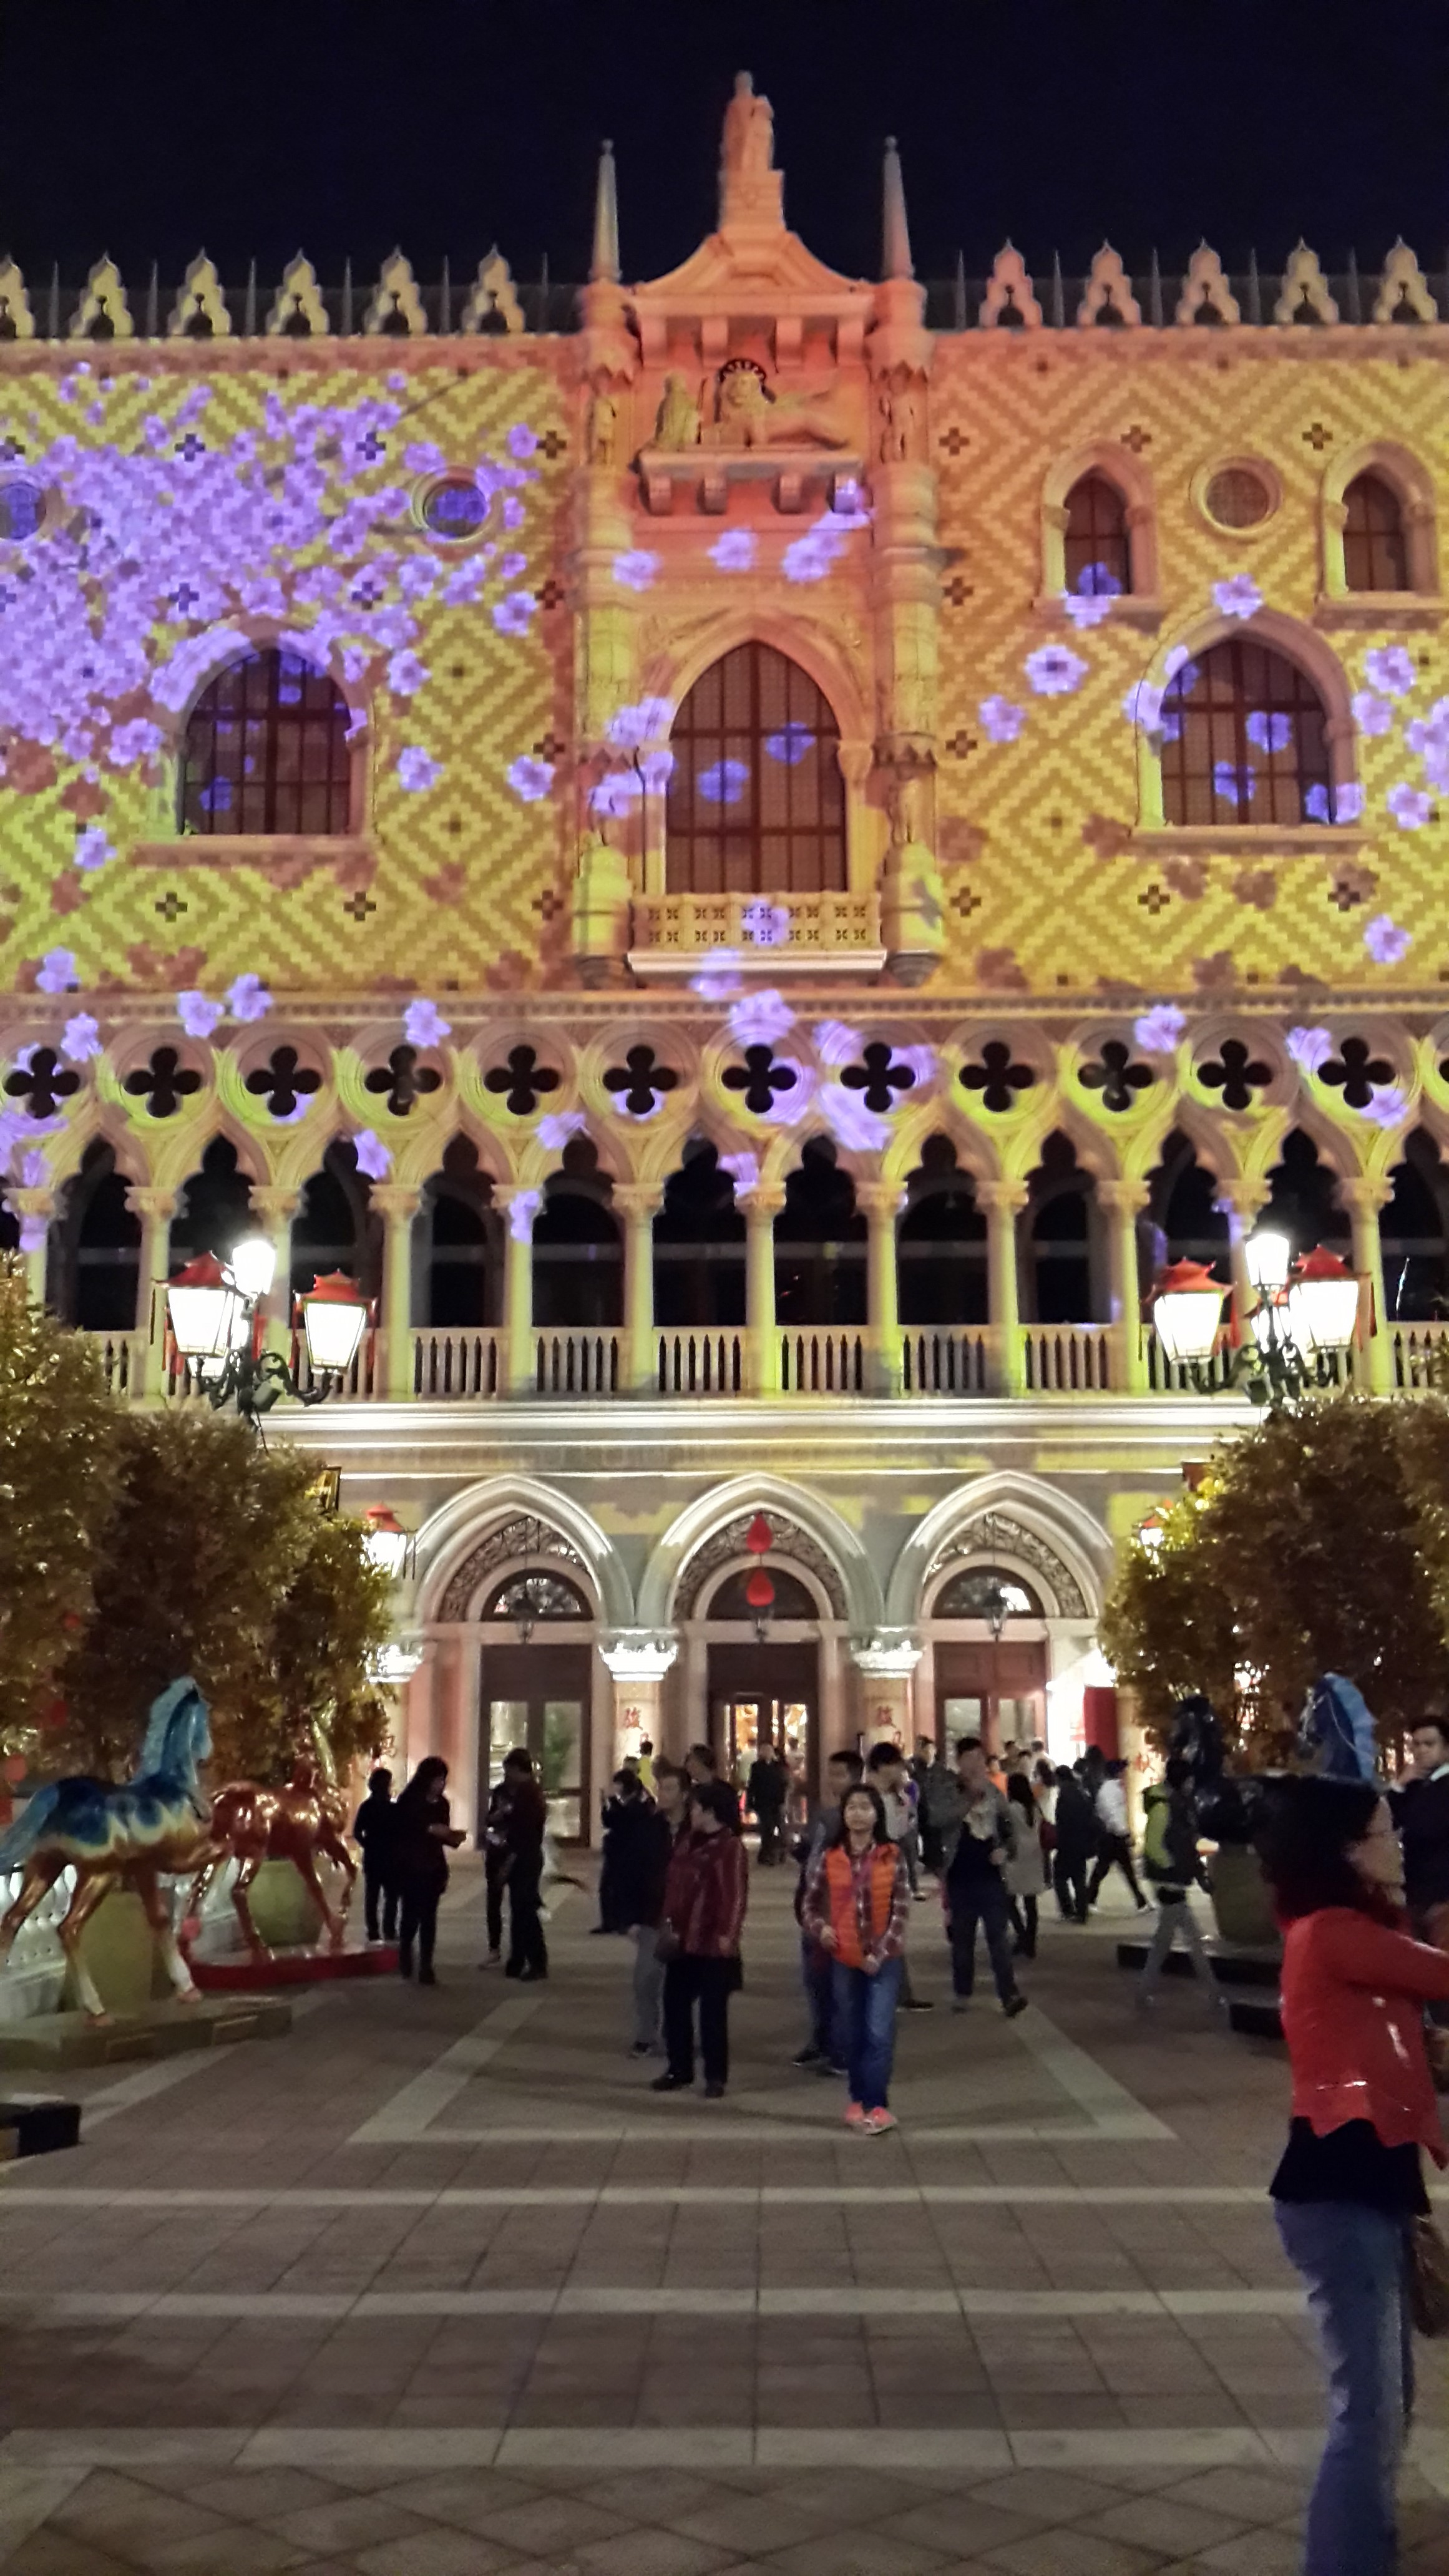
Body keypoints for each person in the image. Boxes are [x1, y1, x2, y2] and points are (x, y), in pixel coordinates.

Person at [1259, 1774, 1449, 2576]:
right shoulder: (1334, 1931)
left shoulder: (1342, 1931)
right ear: (1345, 1852)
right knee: (1368, 2415)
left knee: (1384, 2406)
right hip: (1342, 2193)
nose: (1397, 1845)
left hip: (1365, 2186)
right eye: (1383, 1833)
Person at [801, 1781, 911, 2135]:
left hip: (884, 1960)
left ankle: (876, 2105)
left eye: (866, 1807)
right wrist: (821, 1929)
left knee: (878, 2031)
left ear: (877, 1814)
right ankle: (857, 2099)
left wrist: (880, 1953)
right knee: (851, 2031)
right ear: (843, 1815)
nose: (858, 1814)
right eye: (852, 1808)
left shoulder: (892, 1855)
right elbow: (809, 1903)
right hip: (844, 1957)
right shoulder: (830, 1857)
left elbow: (901, 1909)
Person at [654, 1778, 749, 2097]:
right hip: (681, 1937)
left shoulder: (730, 1846)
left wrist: (728, 1935)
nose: (691, 1813)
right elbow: (673, 1884)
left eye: (695, 1807)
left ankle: (715, 2076)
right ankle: (679, 2068)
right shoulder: (687, 1841)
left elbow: (735, 1895)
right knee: (675, 2004)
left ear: (710, 1811)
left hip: (711, 1941)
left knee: (712, 2013)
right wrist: (667, 1920)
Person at [943, 1738, 1027, 2017]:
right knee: (962, 1940)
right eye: (969, 1758)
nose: (976, 1764)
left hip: (991, 1877)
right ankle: (962, 1992)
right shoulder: (951, 1790)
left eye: (980, 1758)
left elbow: (1010, 1830)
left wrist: (1006, 1850)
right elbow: (939, 1820)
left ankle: (1009, 1994)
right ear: (959, 1761)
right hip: (959, 1876)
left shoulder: (994, 1793)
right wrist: (969, 1798)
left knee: (998, 1939)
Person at [794, 1748, 863, 2071]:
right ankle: (821, 2041)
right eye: (830, 1774)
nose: (833, 1781)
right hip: (814, 1909)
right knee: (816, 1982)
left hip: (842, 1913)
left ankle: (844, 2052)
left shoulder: (860, 1818)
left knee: (842, 1987)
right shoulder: (824, 1815)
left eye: (840, 1774)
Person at [1136, 1757, 1221, 2011]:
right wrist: (1174, 1868)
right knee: (1185, 1940)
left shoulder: (1179, 1804)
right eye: (1190, 1779)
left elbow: (1187, 1844)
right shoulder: (1165, 1807)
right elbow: (1154, 1846)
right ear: (1183, 1780)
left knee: (1170, 1940)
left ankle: (1146, 1991)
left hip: (1173, 1881)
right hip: (1169, 1883)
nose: (1192, 1783)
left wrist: (1196, 1873)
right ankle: (1214, 1992)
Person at [623, 1761, 689, 2057]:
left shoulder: (695, 1831)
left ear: (684, 1794)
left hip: (689, 1917)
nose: (662, 1794)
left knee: (683, 1982)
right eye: (661, 1787)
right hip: (654, 1914)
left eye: (670, 1788)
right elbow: (632, 1874)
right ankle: (646, 2035)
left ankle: (679, 2036)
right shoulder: (648, 1828)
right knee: (645, 1978)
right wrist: (631, 1919)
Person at [865, 1744, 932, 2007]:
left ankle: (900, 1991)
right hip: (872, 1870)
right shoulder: (867, 1796)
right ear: (882, 1766)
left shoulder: (896, 1796)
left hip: (891, 1867)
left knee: (892, 1931)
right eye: (895, 1764)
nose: (900, 1770)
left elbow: (902, 1829)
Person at [393, 1756, 464, 1985]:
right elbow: (402, 1831)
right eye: (438, 1779)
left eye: (443, 1780)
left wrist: (451, 1837)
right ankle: (405, 1954)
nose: (441, 1784)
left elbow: (442, 1833)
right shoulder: (409, 1800)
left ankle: (426, 1965)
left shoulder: (442, 1804)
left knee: (429, 1918)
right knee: (410, 1915)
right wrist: (429, 1829)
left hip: (433, 1866)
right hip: (410, 1866)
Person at [1393, 1714, 1449, 1941]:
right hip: (1416, 1894)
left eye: (1429, 1744)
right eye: (1416, 1744)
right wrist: (1399, 1786)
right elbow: (1385, 1820)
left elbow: (1423, 1827)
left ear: (1446, 1749)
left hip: (1441, 1896)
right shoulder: (1415, 1785)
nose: (1421, 1750)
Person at [501, 1748, 549, 1981]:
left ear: (516, 1769)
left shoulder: (527, 1794)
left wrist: (509, 1862)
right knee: (521, 1911)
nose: (507, 1776)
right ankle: (518, 1960)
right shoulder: (531, 1792)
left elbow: (523, 1835)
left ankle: (536, 1962)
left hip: (525, 1858)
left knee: (526, 1912)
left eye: (508, 1771)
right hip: (528, 1856)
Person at [1087, 1757, 1148, 1912]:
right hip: (1113, 1836)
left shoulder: (1111, 1789)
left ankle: (1089, 1899)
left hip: (1111, 1835)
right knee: (1115, 1869)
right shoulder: (1111, 1790)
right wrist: (1124, 1832)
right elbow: (1113, 1814)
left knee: (1107, 1869)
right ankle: (1141, 1901)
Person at [352, 1765, 399, 1946]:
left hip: (374, 1856)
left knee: (373, 1896)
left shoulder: (367, 1807)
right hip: (389, 1857)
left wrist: (368, 1845)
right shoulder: (392, 1808)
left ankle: (373, 1931)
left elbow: (357, 1832)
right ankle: (388, 1929)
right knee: (390, 1896)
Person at [1003, 1770, 1044, 1959]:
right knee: (1030, 1903)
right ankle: (1030, 1942)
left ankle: (1022, 1936)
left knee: (1009, 1900)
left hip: (1016, 1854)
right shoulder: (1035, 1808)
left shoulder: (1011, 1809)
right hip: (1034, 1853)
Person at [1051, 1764, 1099, 1923]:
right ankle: (1082, 1912)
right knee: (1079, 1879)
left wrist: (1059, 1840)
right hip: (1082, 1842)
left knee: (1059, 1877)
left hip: (1068, 1843)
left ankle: (1068, 1909)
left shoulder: (1065, 1795)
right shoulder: (1080, 1792)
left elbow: (1063, 1822)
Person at [479, 1772, 512, 1966]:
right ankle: (494, 1948)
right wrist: (496, 1815)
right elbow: (489, 1819)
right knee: (493, 1902)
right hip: (496, 1853)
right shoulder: (500, 1790)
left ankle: (519, 1950)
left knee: (521, 1904)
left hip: (515, 1852)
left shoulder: (527, 1794)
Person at [918, 1737, 962, 1879]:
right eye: (925, 1751)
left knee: (938, 1841)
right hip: (923, 1810)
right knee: (927, 1839)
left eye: (930, 1750)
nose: (928, 1753)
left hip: (939, 1811)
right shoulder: (918, 1770)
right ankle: (930, 1863)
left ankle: (938, 1866)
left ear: (935, 1751)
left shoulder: (943, 1772)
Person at [746, 1743, 789, 1865]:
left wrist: (785, 1802)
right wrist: (749, 1803)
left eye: (769, 1750)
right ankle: (767, 1855)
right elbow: (752, 1785)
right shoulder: (756, 1766)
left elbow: (784, 1785)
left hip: (777, 1801)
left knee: (780, 1827)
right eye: (764, 1750)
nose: (766, 1752)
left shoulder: (779, 1766)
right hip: (763, 1802)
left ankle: (777, 1853)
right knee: (767, 1828)